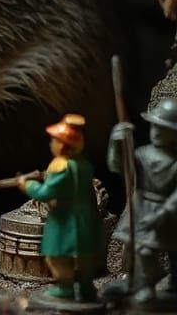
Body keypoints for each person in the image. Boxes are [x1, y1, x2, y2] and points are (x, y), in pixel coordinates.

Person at [20, 113, 103, 302]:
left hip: (64, 218)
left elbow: (45, 193)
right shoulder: (84, 165)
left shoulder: (62, 167)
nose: (52, 144)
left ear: (63, 145)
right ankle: (86, 287)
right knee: (84, 254)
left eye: (54, 141)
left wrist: (28, 186)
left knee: (57, 256)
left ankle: (65, 289)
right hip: (84, 216)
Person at [108, 97, 177, 305]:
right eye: (154, 126)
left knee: (171, 251)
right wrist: (117, 142)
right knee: (137, 247)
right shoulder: (143, 154)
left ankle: (162, 285)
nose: (155, 132)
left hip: (167, 212)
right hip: (142, 207)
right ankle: (137, 282)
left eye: (162, 128)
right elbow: (120, 167)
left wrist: (162, 213)